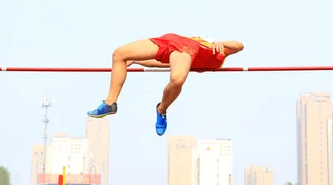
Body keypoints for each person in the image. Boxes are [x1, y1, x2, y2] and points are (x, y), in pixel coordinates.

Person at [87, 33, 244, 135]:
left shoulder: (215, 60)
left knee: (177, 80)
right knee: (119, 55)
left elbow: (240, 46)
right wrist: (136, 59)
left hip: (185, 50)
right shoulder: (215, 49)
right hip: (170, 41)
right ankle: (110, 103)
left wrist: (225, 45)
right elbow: (238, 45)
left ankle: (161, 109)